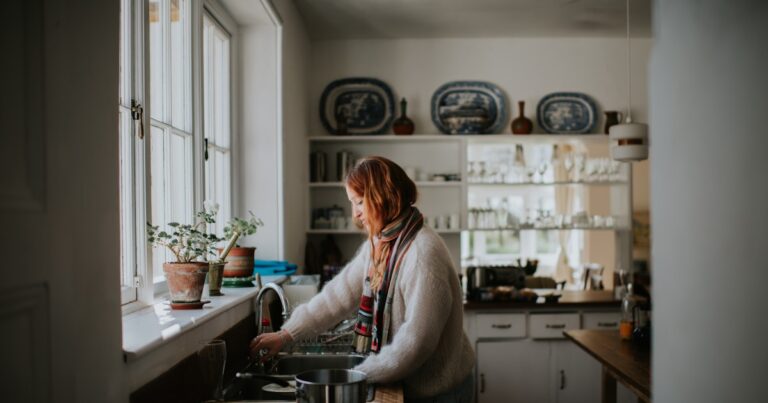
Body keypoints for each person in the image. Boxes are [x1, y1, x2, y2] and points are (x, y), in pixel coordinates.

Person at [250, 156, 475, 402]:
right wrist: (285, 335)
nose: (355, 214)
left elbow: (416, 343)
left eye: (359, 202)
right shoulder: (383, 242)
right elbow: (336, 296)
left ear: (382, 197)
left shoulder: (422, 254)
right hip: (410, 383)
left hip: (440, 392)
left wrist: (359, 373)